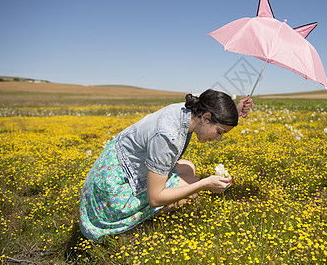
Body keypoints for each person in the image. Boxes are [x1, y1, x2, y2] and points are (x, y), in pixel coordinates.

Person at [79, 89, 252, 241]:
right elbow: (156, 199)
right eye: (220, 132)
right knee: (192, 188)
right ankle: (135, 226)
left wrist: (233, 110)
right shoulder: (168, 136)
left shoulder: (190, 108)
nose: (218, 139)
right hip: (110, 198)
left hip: (112, 171)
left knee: (188, 167)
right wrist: (205, 184)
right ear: (206, 117)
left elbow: (211, 102)